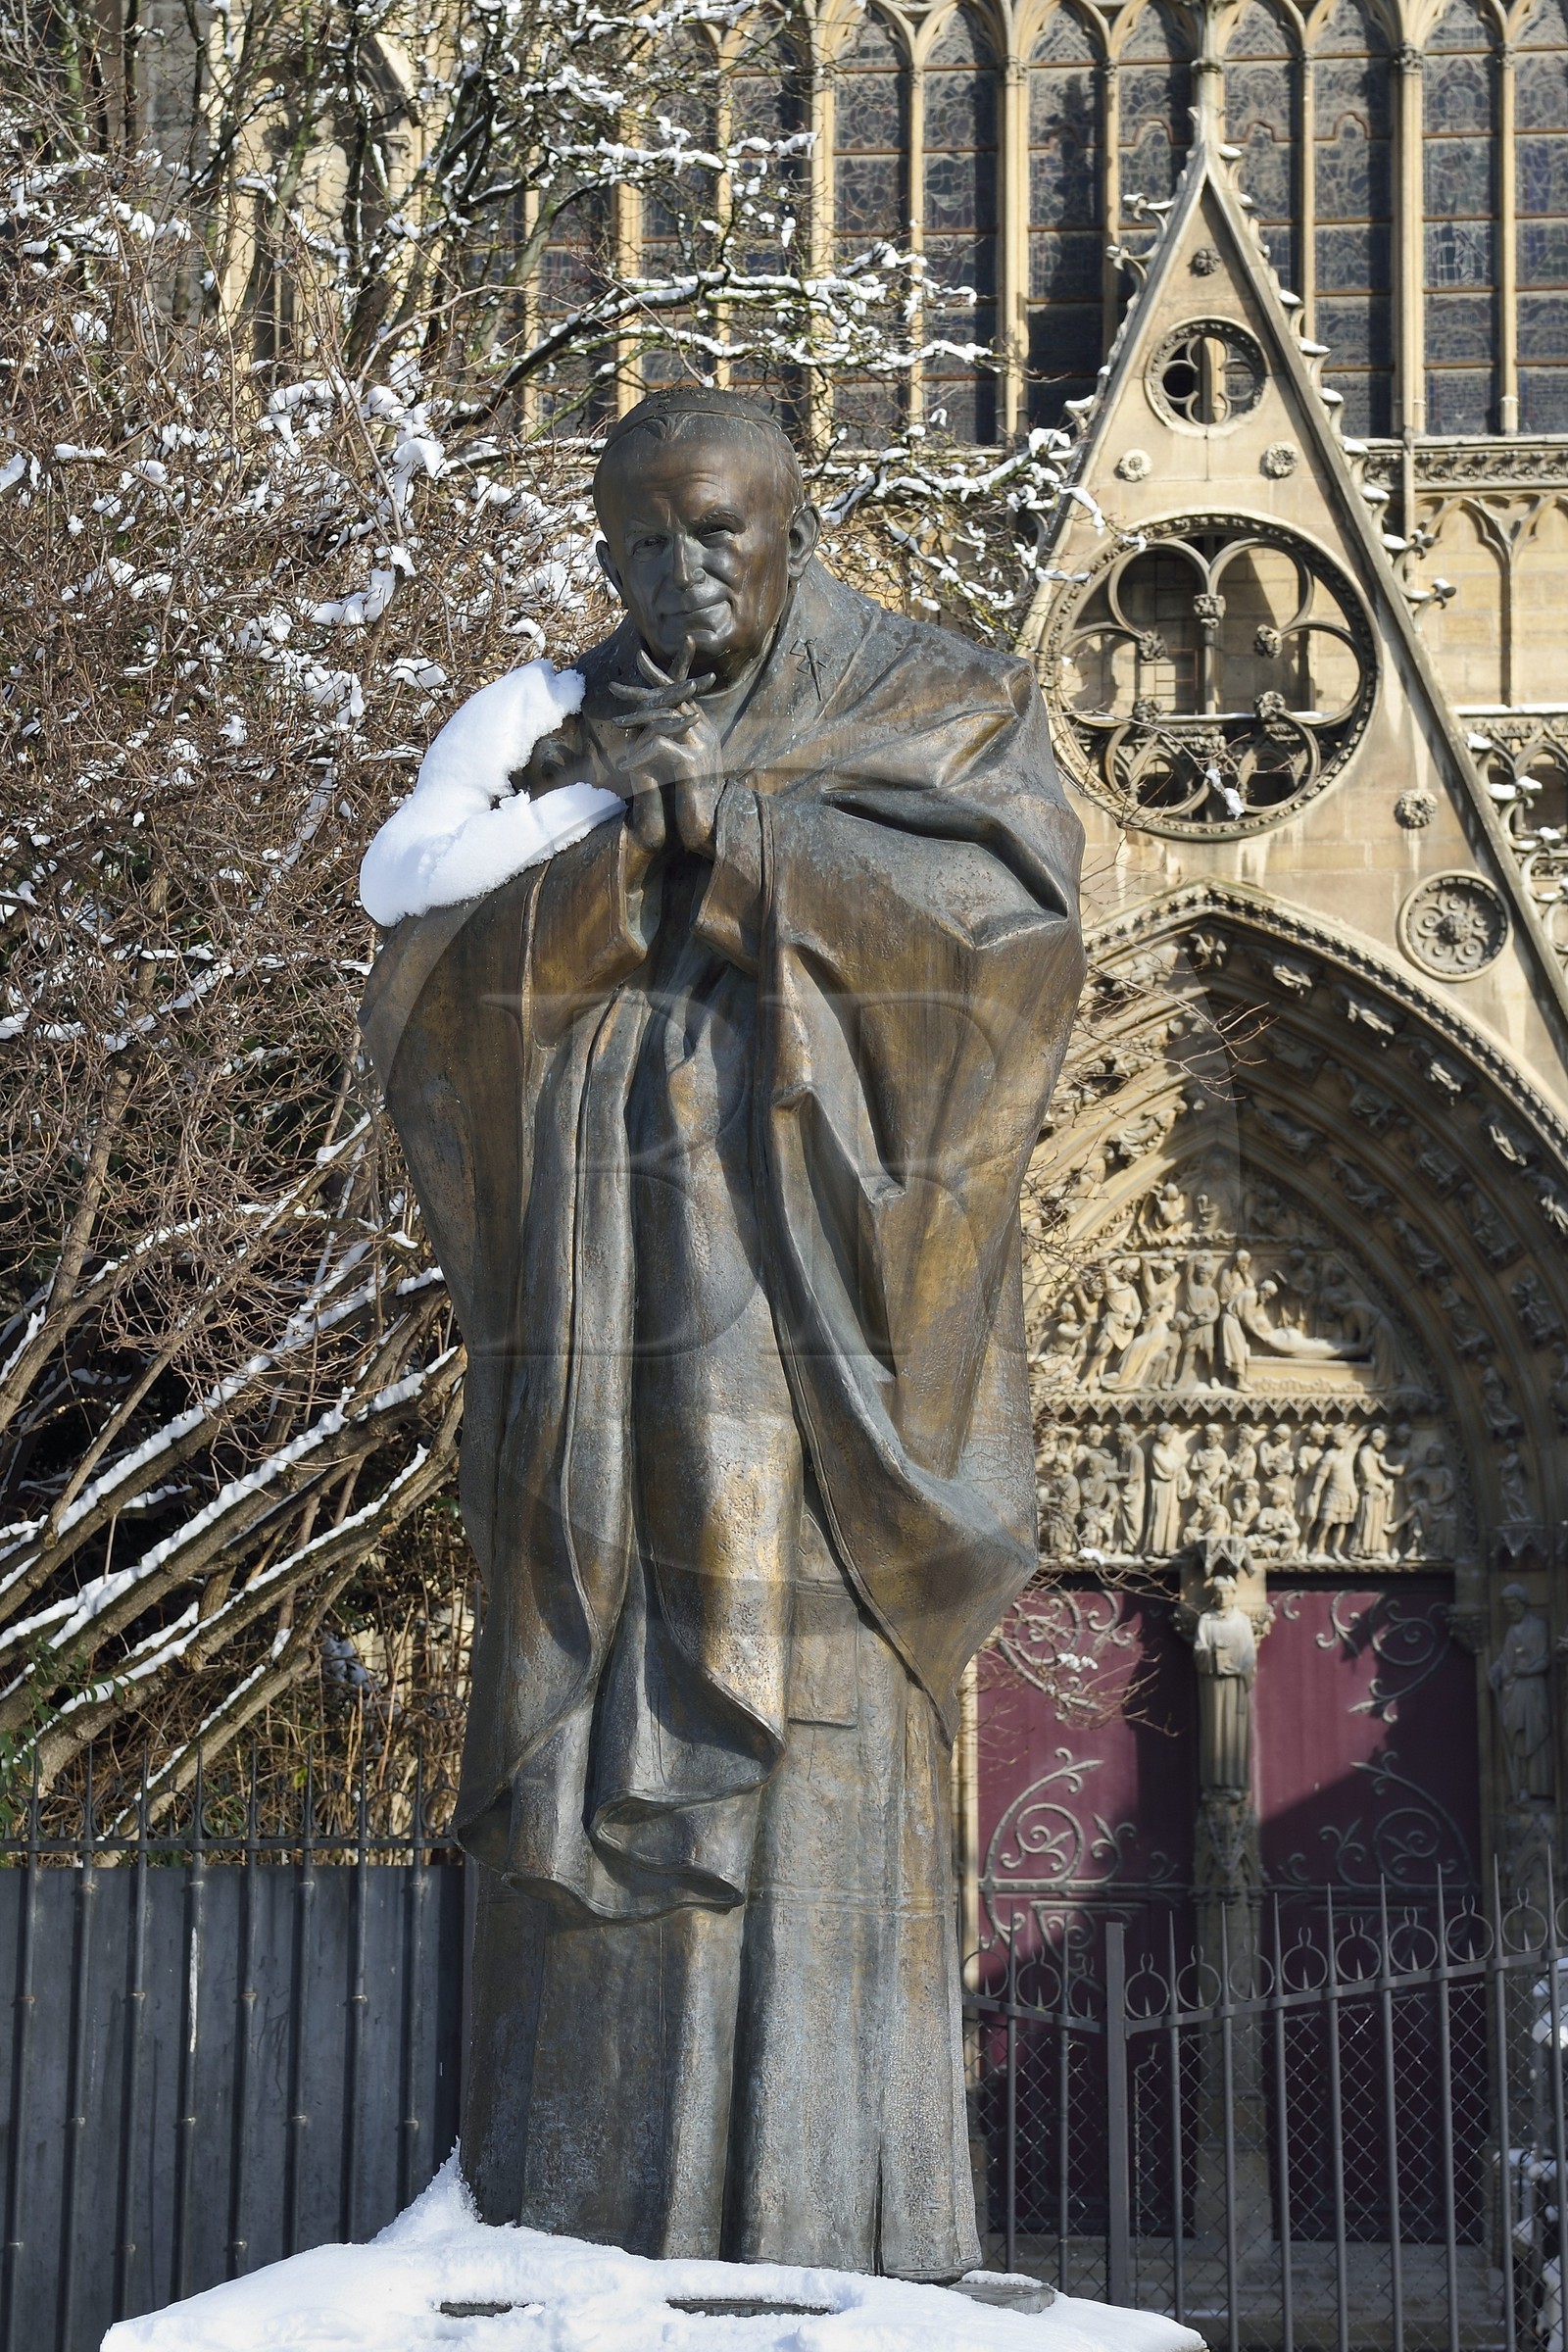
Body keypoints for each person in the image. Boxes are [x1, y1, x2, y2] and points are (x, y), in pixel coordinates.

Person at [362, 388, 1084, 2276]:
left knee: (819, 1781)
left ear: (796, 524)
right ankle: (570, 2237)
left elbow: (1006, 967)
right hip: (598, 1351)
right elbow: (435, 1002)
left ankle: (841, 2244)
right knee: (600, 1803)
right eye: (646, 539)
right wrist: (617, 860)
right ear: (600, 540)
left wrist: (747, 841)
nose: (683, 575)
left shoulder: (937, 699)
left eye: (725, 536)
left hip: (824, 1357)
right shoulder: (554, 730)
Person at [1490, 1586, 1553, 1802]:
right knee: (1517, 1738)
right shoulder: (1511, 1631)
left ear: (1524, 1604)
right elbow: (1505, 1658)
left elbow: (1546, 1658)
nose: (1511, 1610)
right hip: (1514, 1690)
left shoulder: (1538, 1627)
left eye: (1514, 1605)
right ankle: (1521, 1785)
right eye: (1507, 1607)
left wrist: (1529, 1670)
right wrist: (1495, 1670)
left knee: (1535, 1735)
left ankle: (1539, 1787)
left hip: (1533, 1688)